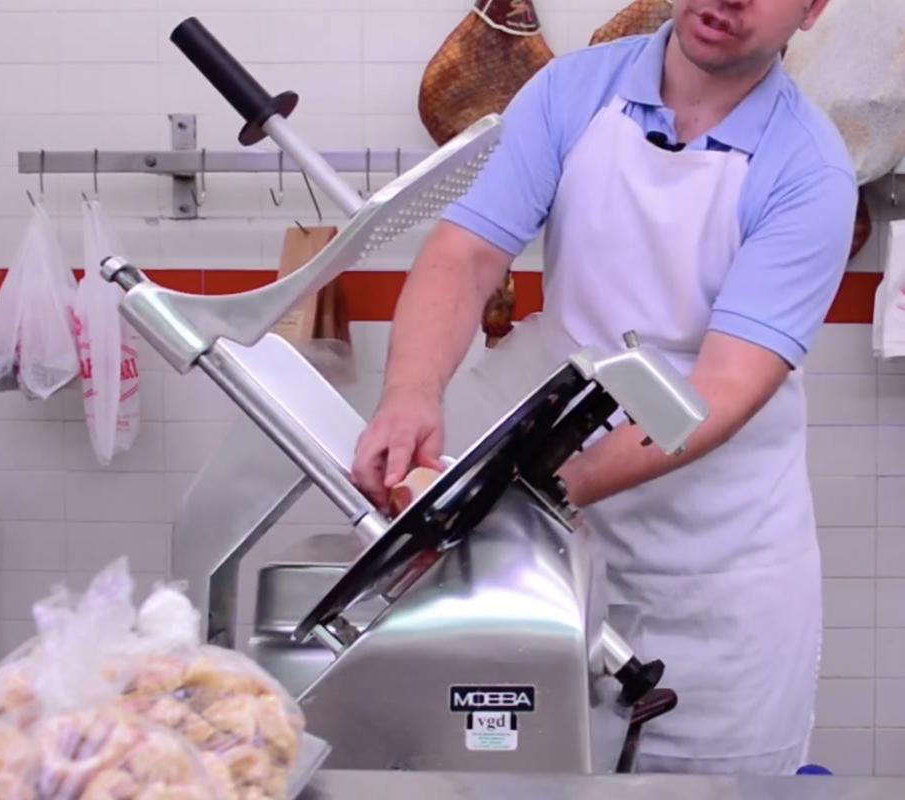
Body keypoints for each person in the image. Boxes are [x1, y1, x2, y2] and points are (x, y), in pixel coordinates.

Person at [351, 0, 857, 776]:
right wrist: (410, 393)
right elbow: (466, 256)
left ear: (815, 7)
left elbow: (719, 389)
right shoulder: (570, 94)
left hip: (721, 578)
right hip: (560, 560)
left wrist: (535, 492)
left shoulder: (809, 170)